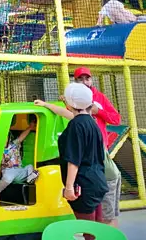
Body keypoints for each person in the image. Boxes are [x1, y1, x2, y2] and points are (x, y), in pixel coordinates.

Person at [56, 83, 108, 224]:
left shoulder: (76, 125)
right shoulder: (92, 123)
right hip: (97, 181)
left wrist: (69, 188)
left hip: (83, 185)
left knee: (88, 229)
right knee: (97, 228)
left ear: (69, 104)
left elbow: (74, 160)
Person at [0, 114, 39, 194]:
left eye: (5, 138)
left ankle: (30, 178)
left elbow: (21, 137)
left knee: (30, 166)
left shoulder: (13, 145)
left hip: (19, 171)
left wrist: (30, 127)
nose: (4, 140)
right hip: (8, 170)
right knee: (8, 176)